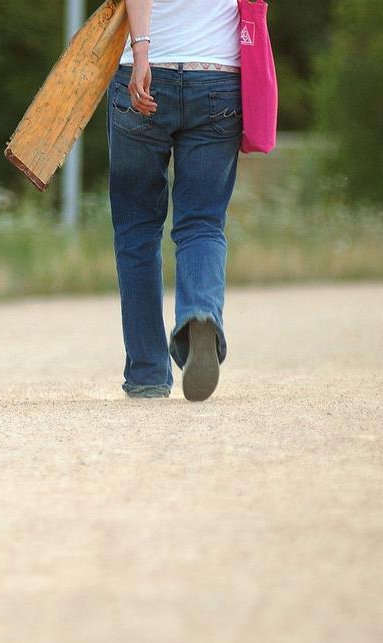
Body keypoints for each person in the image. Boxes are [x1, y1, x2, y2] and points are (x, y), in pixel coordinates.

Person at [108, 0, 242, 402]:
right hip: (218, 76)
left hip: (147, 71)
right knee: (202, 222)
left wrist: (142, 51)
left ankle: (148, 372)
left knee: (137, 228)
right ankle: (199, 314)